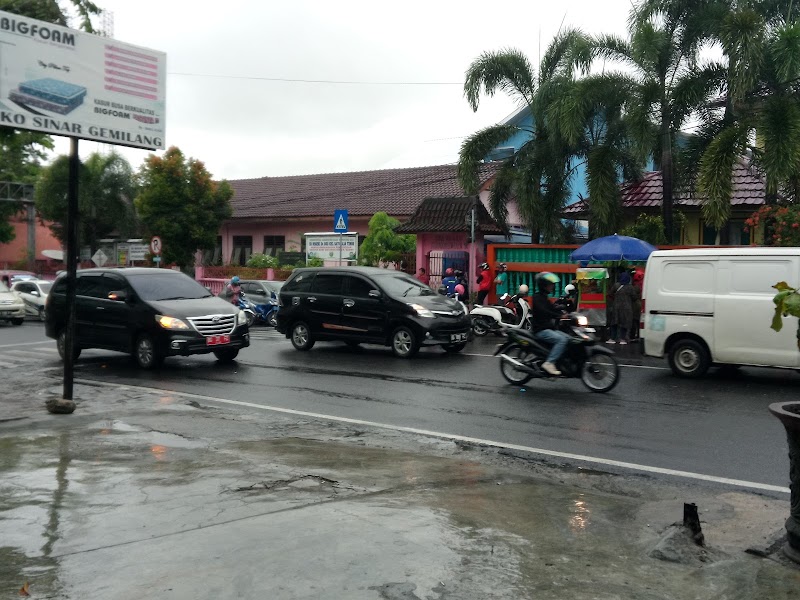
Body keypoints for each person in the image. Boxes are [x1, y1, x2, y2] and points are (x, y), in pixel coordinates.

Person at [530, 272, 569, 376]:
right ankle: (549, 362)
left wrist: (565, 311)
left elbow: (553, 308)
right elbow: (544, 311)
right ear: (543, 285)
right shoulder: (537, 297)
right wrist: (559, 316)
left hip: (548, 328)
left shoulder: (544, 298)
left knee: (569, 338)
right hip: (540, 330)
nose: (552, 286)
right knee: (562, 340)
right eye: (550, 284)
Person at [607, 272, 639, 345]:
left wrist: (616, 298)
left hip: (616, 307)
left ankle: (612, 338)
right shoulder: (630, 287)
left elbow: (610, 294)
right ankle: (622, 339)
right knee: (624, 323)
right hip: (626, 307)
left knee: (614, 323)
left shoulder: (616, 285)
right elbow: (635, 297)